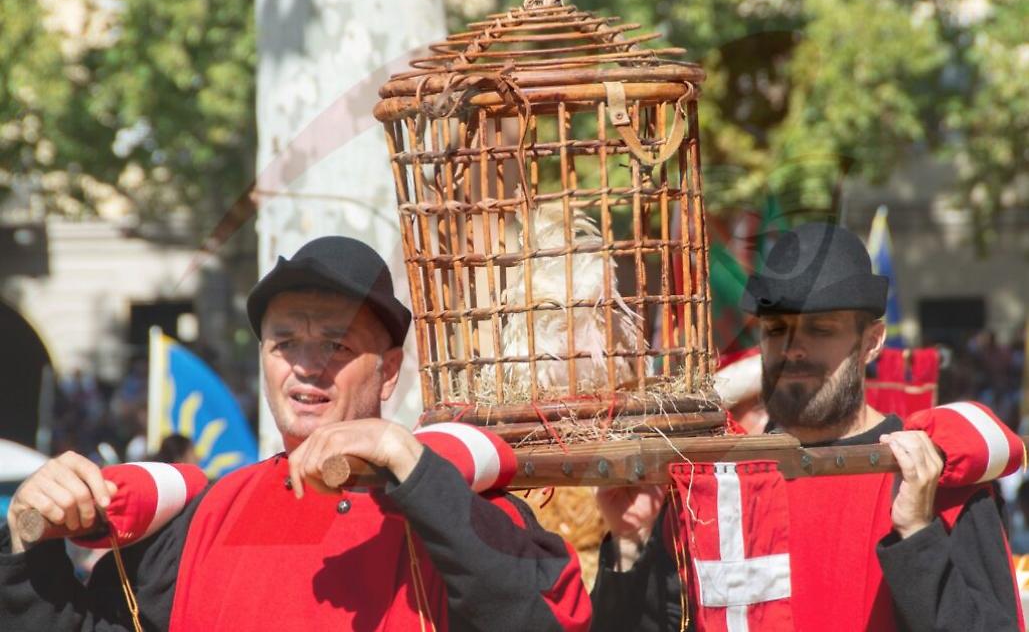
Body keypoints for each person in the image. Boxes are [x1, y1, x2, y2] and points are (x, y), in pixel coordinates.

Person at [2, 236, 591, 631]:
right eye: (285, 344)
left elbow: (543, 617)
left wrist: (400, 458)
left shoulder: (451, 509)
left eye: (336, 345)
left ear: (388, 371)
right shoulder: (206, 517)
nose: (306, 367)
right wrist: (29, 543)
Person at [590, 222, 1020, 631]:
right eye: (777, 329)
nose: (793, 349)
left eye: (820, 329)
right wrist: (630, 542)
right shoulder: (721, 487)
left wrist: (917, 536)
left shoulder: (936, 480)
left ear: (871, 341)